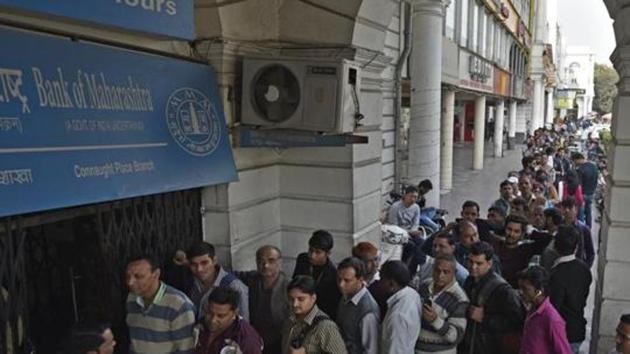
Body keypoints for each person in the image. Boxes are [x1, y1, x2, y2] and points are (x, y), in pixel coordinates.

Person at [459, 242, 525, 354]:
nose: (473, 267)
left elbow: (518, 321)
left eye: (479, 263)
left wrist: (486, 318)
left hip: (491, 347)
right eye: (470, 262)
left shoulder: (502, 290)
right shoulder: (469, 281)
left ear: (489, 264)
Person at [125, 255, 196, 353]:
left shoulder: (178, 305)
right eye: (128, 277)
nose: (130, 282)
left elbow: (186, 350)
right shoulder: (132, 299)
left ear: (156, 274)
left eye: (138, 276)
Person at [234, 245, 289, 354]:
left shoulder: (289, 286)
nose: (265, 265)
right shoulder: (253, 278)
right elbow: (230, 275)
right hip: (254, 337)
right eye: (260, 261)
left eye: (271, 260)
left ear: (280, 262)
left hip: (278, 340)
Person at [548, 226, 593, 353]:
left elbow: (553, 308)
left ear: (555, 246)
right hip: (578, 329)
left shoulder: (556, 274)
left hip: (562, 332)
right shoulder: (584, 269)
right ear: (577, 247)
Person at [416, 254, 469, 354]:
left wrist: (435, 320)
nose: (440, 275)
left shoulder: (459, 299)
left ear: (454, 273)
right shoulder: (424, 286)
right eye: (437, 270)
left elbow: (456, 336)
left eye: (446, 272)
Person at [281, 275, 347, 354]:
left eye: (301, 299)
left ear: (313, 298)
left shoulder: (326, 327)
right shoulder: (290, 320)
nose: (295, 304)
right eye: (291, 299)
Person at [187, 242, 249, 321]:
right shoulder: (193, 282)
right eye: (194, 264)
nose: (199, 269)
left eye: (204, 263)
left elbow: (243, 323)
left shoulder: (234, 286)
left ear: (214, 261)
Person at [517, 266, 572, 354]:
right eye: (520, 288)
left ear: (539, 291)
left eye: (525, 289)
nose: (520, 292)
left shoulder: (552, 319)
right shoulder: (532, 309)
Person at [487, 214, 551, 288]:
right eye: (509, 229)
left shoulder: (526, 249)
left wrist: (532, 232)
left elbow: (549, 240)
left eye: (516, 231)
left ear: (522, 233)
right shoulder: (495, 245)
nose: (511, 234)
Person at [195, 288, 263, 354]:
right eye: (210, 313)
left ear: (234, 313)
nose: (213, 320)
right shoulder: (200, 327)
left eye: (221, 316)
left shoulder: (246, 340)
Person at [293, 230, 342, 318]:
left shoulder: (333, 274)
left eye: (318, 252)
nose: (312, 255)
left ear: (328, 253)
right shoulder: (302, 259)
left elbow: (331, 307)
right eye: (310, 250)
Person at [335, 257, 380, 354]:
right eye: (339, 279)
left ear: (360, 279)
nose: (341, 284)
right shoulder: (346, 295)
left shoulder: (368, 311)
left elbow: (370, 350)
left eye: (347, 280)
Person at [379, 260, 422, 354]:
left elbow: (394, 350)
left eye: (382, 279)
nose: (379, 283)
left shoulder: (397, 316)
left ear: (392, 284)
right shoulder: (412, 294)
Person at [387, 185, 426, 275]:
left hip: (411, 233)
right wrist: (408, 232)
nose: (413, 199)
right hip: (397, 234)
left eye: (415, 197)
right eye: (411, 196)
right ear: (405, 195)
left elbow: (415, 223)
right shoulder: (395, 207)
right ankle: (404, 270)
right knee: (411, 246)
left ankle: (416, 271)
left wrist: (413, 231)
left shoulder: (416, 207)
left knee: (422, 244)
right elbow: (394, 227)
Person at [352, 242, 389, 319]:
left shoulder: (383, 284)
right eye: (369, 261)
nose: (375, 264)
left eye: (376, 259)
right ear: (359, 263)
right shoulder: (351, 283)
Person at [559, 197, 595, 268]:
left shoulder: (584, 229)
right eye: (564, 207)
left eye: (570, 207)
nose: (567, 210)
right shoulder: (558, 226)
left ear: (576, 210)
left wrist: (585, 269)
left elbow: (590, 253)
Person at [572, 152, 599, 227]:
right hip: (591, 193)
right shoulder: (594, 166)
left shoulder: (580, 170)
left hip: (582, 194)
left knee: (580, 212)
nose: (575, 163)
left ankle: (581, 229)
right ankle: (588, 228)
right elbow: (596, 179)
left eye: (574, 161)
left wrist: (578, 196)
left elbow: (579, 185)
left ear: (578, 159)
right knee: (588, 212)